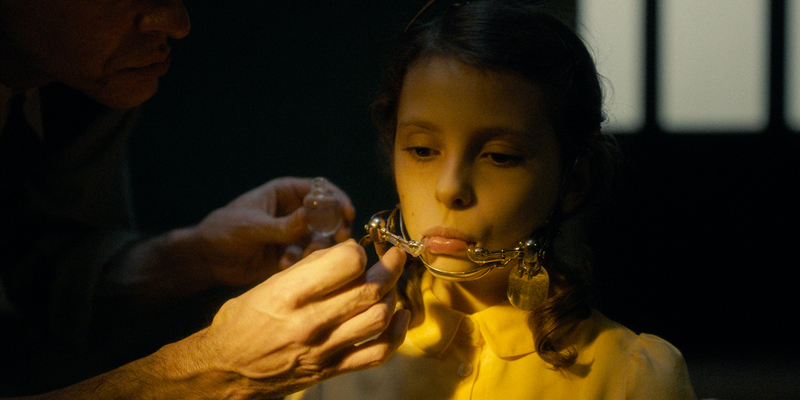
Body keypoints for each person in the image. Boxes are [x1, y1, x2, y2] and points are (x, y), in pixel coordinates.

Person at [287, 1, 697, 399]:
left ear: (573, 180)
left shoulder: (631, 375)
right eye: (422, 150)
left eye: (499, 156)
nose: (450, 188)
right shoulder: (326, 355)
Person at [1, 0, 409, 398]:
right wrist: (211, 372)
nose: (178, 24)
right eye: (422, 150)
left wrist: (192, 258)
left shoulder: (84, 83)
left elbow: (36, 279)